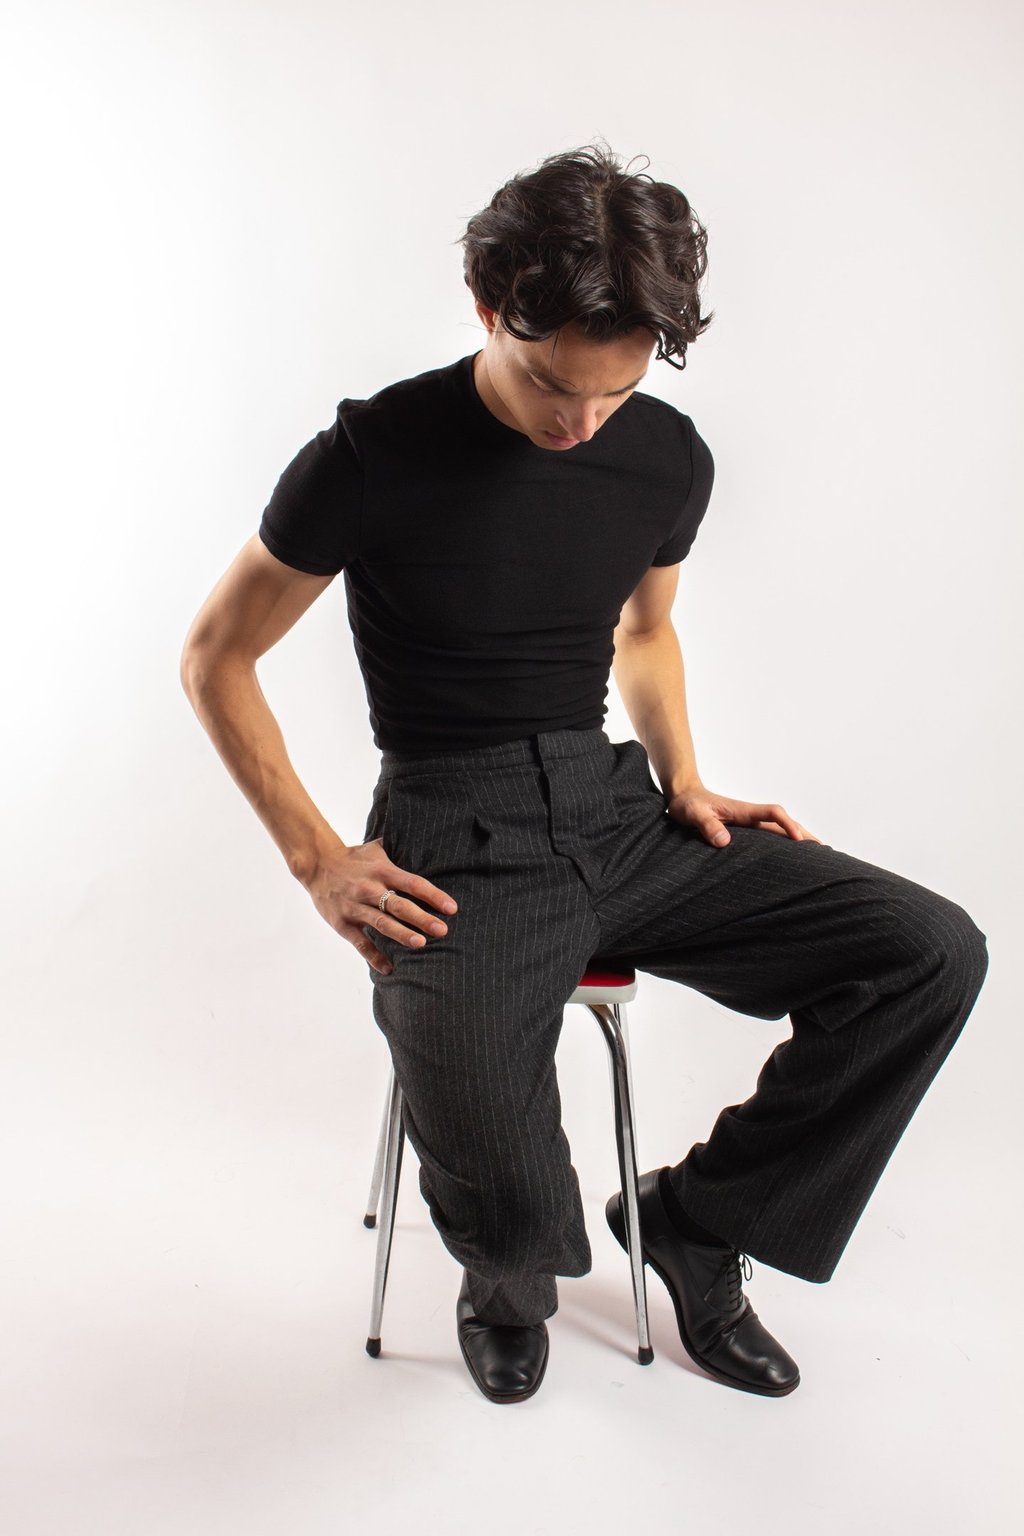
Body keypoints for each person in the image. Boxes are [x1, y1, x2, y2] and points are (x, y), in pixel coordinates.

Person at [180, 142, 989, 1406]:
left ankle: (698, 1224)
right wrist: (319, 860)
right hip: (455, 828)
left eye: (612, 394)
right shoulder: (373, 451)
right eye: (553, 385)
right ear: (486, 307)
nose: (578, 426)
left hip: (614, 808)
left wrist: (686, 780)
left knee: (928, 953)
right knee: (476, 1108)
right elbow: (216, 654)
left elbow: (644, 631)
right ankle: (507, 1285)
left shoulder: (665, 455)